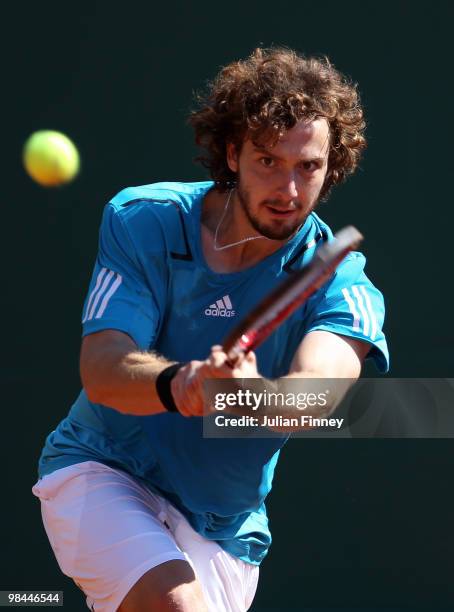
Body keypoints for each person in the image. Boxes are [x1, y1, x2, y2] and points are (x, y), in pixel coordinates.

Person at [32, 47, 389, 612]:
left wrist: (258, 398)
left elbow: (320, 390)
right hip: (104, 468)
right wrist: (182, 384)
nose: (288, 190)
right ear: (232, 152)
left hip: (225, 527)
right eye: (269, 160)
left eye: (308, 167)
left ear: (331, 167)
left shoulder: (345, 285)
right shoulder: (144, 221)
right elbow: (102, 367)